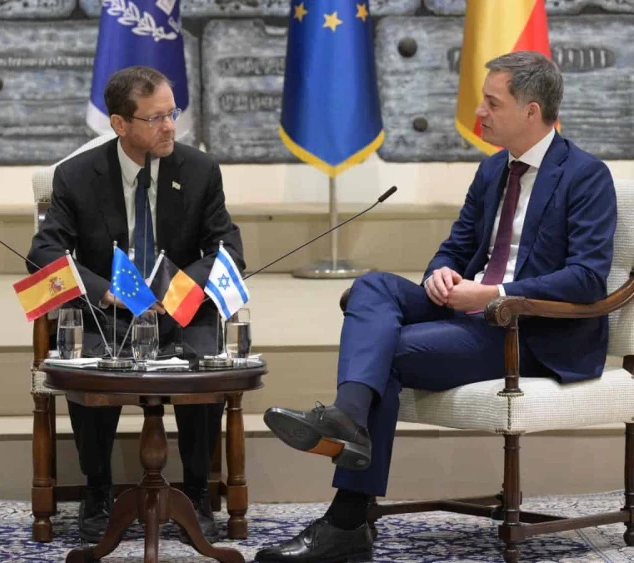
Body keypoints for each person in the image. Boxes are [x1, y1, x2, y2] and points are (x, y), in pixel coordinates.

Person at [256, 51, 617, 563]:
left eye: (491, 103)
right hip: (465, 312)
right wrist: (439, 274)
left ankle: (346, 519)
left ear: (531, 111)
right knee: (372, 286)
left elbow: (586, 278)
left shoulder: (585, 175)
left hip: (529, 333)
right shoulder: (492, 170)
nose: (480, 113)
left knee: (388, 350)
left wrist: (493, 294)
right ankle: (349, 420)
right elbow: (455, 247)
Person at [26, 65, 245, 543]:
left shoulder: (200, 170)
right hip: (111, 314)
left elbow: (227, 249)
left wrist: (181, 287)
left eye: (172, 114)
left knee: (204, 353)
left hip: (178, 309)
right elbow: (43, 253)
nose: (169, 127)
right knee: (88, 354)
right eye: (155, 118)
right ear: (120, 124)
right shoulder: (76, 176)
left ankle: (195, 491)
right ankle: (98, 491)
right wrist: (103, 289)